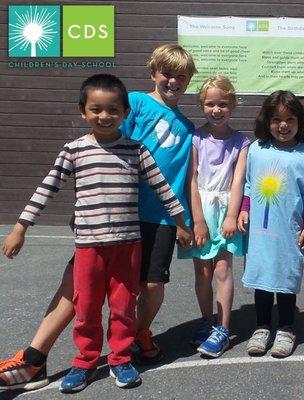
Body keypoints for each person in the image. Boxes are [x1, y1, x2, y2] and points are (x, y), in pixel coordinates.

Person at [0, 44, 197, 390]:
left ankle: (134, 338)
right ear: (153, 72)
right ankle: (36, 357)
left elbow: (183, 177)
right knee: (78, 288)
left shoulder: (187, 126)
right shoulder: (133, 102)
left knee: (147, 287)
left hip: (156, 221)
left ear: (189, 80)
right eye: (166, 72)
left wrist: (187, 220)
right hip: (112, 218)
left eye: (181, 75)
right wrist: (86, 205)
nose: (173, 80)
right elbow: (103, 152)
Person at [238, 90, 304, 358]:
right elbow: (249, 185)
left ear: (300, 122)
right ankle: (262, 327)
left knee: (286, 276)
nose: (283, 125)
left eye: (289, 119)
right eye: (276, 119)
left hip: (289, 229)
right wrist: (243, 209)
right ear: (266, 121)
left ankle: (286, 328)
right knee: (262, 277)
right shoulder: (256, 150)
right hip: (260, 230)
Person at [177, 76, 250, 358]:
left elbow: (238, 181)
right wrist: (197, 220)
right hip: (201, 208)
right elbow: (191, 181)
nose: (216, 109)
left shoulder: (241, 142)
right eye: (210, 104)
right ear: (202, 105)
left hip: (226, 208)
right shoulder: (195, 138)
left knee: (222, 269)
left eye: (222, 104)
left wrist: (232, 216)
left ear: (231, 105)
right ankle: (206, 320)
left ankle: (223, 328)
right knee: (203, 271)